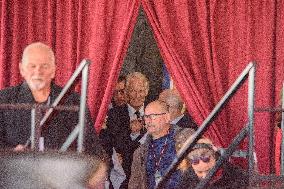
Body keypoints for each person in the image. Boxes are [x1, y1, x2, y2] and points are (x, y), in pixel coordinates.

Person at [0, 42, 104, 157]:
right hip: (17, 173)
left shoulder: (74, 102)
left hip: (62, 173)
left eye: (44, 66)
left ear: (54, 70)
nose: (38, 71)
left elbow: (92, 149)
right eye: (32, 66)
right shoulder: (4, 100)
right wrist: (11, 155)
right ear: (21, 69)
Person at [128, 100, 195, 189]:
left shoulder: (186, 137)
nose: (148, 120)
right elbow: (134, 185)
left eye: (153, 116)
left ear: (167, 117)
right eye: (146, 116)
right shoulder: (140, 152)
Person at [100, 72, 149, 188]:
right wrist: (133, 134)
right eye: (132, 90)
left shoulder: (153, 111)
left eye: (141, 91)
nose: (137, 95)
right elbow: (116, 148)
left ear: (146, 92)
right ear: (126, 92)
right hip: (124, 178)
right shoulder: (114, 114)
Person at [177, 137, 249, 189]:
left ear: (215, 159)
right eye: (199, 172)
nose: (205, 176)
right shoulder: (188, 177)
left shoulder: (235, 176)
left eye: (209, 170)